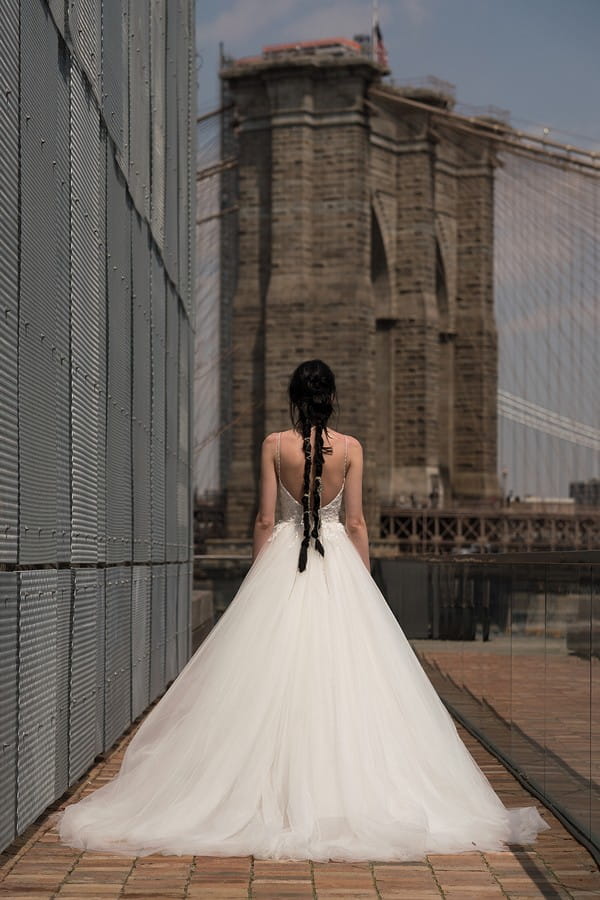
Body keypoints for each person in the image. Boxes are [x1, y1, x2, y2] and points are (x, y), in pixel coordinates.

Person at [54, 359, 549, 861]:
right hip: (337, 565)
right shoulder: (352, 449)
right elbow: (355, 523)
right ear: (331, 398)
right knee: (350, 682)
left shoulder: (274, 445)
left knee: (269, 679)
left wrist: (255, 577)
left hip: (285, 564)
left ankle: (263, 793)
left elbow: (267, 518)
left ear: (294, 398)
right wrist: (364, 583)